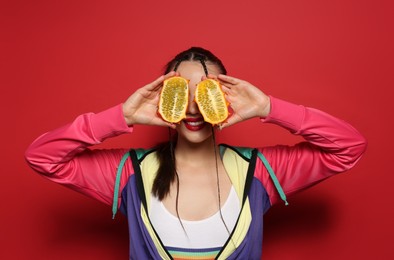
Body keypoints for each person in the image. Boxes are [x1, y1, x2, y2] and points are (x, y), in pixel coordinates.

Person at [25, 47, 367, 259]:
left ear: (224, 98)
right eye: (180, 93)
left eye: (207, 93)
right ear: (162, 99)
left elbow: (348, 147)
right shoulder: (130, 174)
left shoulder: (260, 171)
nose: (193, 108)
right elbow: (42, 157)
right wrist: (121, 117)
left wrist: (269, 107)